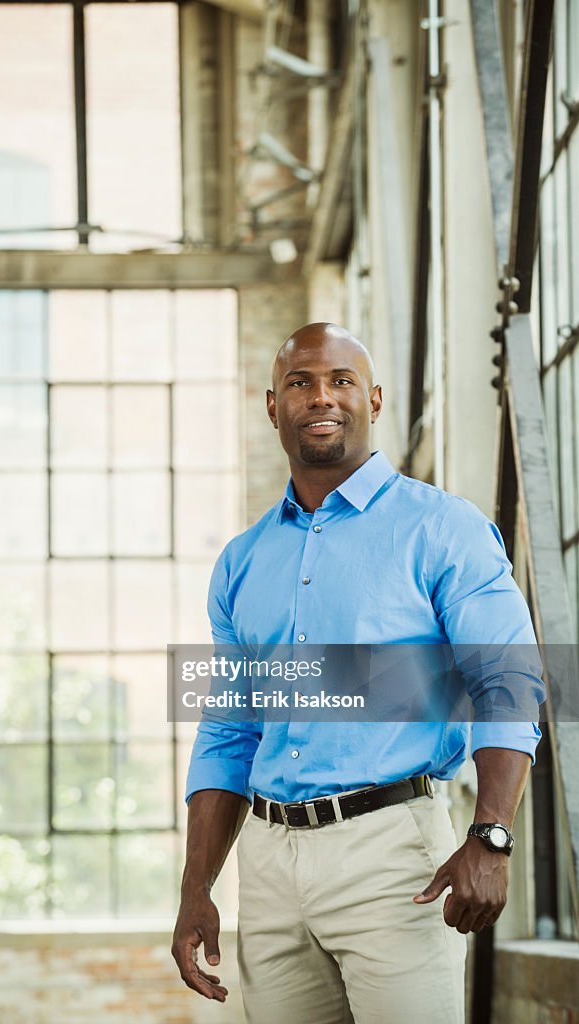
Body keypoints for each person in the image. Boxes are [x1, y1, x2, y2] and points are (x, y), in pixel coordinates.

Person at [171, 322, 543, 1024]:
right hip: (269, 864)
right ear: (271, 406)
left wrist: (489, 833)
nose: (321, 397)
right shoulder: (241, 561)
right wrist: (197, 888)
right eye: (299, 383)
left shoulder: (441, 528)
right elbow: (228, 731)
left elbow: (510, 681)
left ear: (372, 400)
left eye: (340, 380)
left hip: (392, 856)